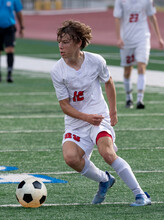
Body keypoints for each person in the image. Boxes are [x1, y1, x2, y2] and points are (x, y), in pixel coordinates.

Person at [50, 20, 151, 206]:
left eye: (65, 42)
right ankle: (104, 179)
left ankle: (141, 195)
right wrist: (86, 118)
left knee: (107, 153)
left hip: (99, 117)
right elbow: (64, 105)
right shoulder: (57, 70)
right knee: (71, 158)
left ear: (78, 42)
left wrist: (113, 111)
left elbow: (109, 82)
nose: (60, 46)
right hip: (76, 122)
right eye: (59, 41)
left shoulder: (96, 61)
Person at [113, 0, 164, 109]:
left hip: (142, 38)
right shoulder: (120, 1)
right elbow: (117, 18)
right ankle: (128, 98)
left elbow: (152, 17)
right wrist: (118, 38)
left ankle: (140, 99)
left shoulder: (147, 1)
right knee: (127, 70)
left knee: (142, 66)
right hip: (127, 39)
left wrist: (159, 38)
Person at [0, 0, 24, 83]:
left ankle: (9, 74)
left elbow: (19, 12)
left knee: (10, 49)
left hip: (9, 28)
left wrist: (22, 27)